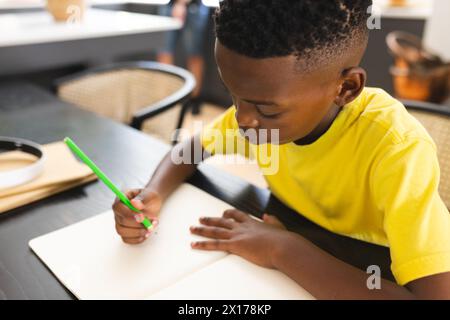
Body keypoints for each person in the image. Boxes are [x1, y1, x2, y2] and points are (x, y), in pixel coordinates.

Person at [113, 0, 450, 299]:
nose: (243, 121)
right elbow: (191, 149)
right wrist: (152, 194)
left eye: (267, 110)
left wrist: (281, 248)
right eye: (234, 95)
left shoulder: (394, 148)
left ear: (346, 87)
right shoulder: (257, 115)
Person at [157, 0, 210, 113]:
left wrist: (181, 3)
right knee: (164, 53)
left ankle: (194, 99)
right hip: (169, 6)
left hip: (193, 7)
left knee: (194, 55)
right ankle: (168, 97)